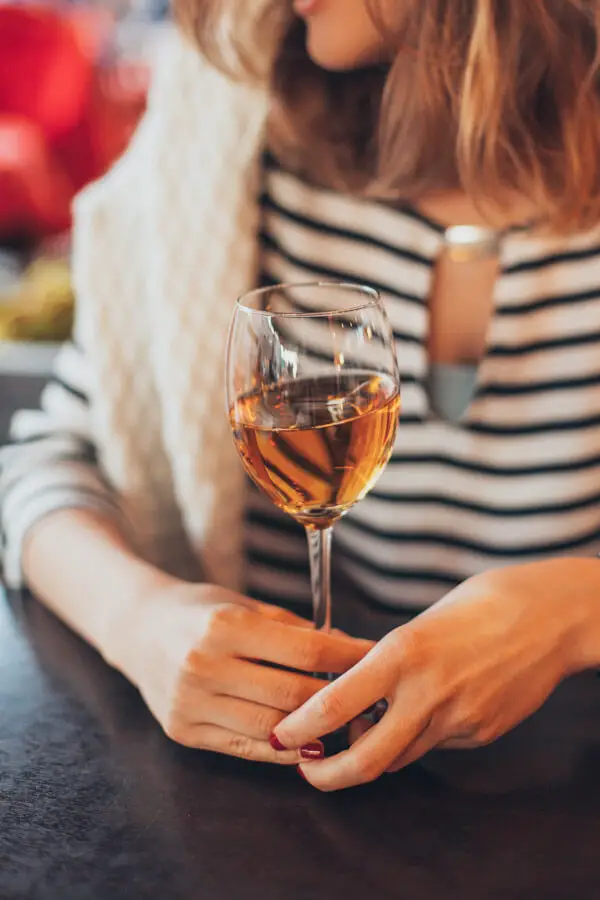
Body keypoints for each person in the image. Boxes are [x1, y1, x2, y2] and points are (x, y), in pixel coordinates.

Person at [3, 0, 600, 792]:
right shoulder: (226, 132)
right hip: (262, 800)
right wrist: (138, 618)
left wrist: (574, 612)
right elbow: (45, 461)